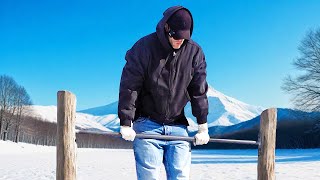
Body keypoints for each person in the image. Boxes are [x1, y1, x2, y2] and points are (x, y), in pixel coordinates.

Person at [118, 5, 210, 180]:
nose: (178, 41)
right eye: (175, 36)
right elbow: (130, 86)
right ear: (166, 28)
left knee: (180, 175)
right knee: (149, 176)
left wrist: (202, 125)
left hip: (178, 127)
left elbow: (198, 90)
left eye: (183, 38)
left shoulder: (194, 52)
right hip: (147, 125)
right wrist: (126, 121)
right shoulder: (144, 47)